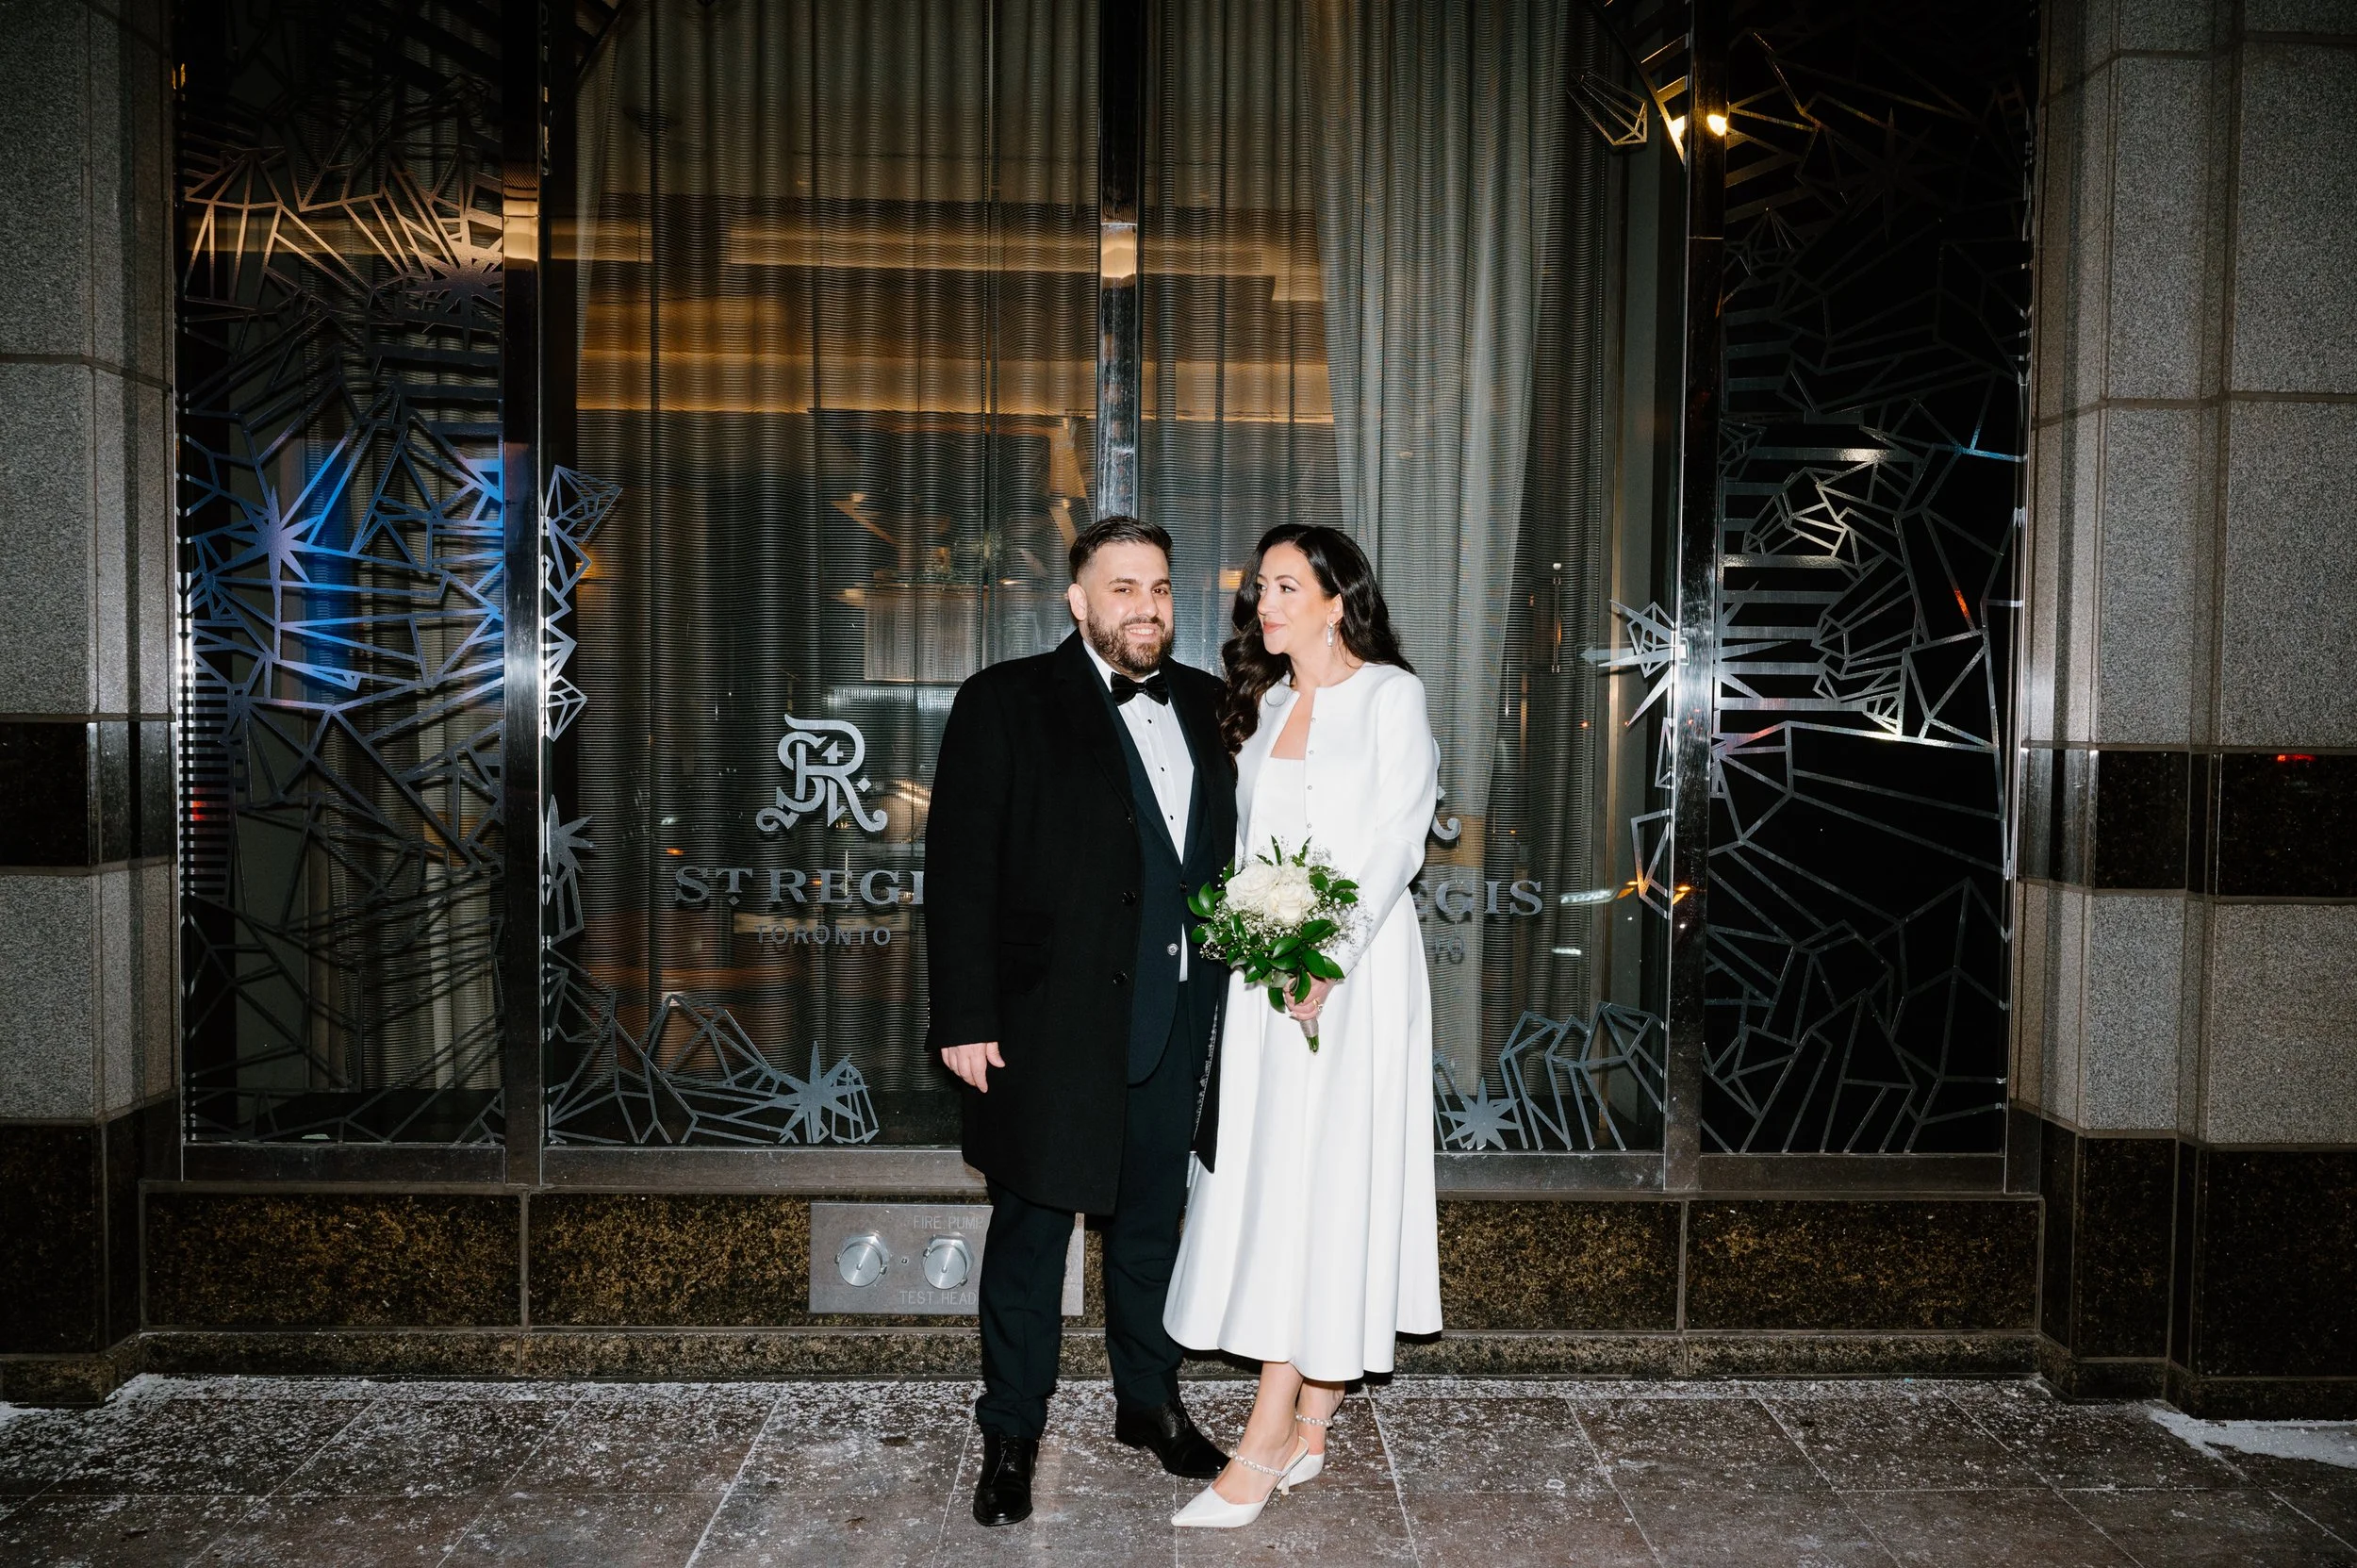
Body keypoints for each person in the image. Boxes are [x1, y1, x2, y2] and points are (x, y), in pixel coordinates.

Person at [926, 515, 1237, 1527]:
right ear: (1077, 600)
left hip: (1174, 1018)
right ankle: (1011, 1429)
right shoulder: (1005, 699)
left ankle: (1147, 1403)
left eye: (1158, 587)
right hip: (1042, 1024)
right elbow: (961, 870)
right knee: (1031, 1233)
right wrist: (964, 1015)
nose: (1144, 606)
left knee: (1152, 1229)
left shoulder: (1209, 704)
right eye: (1122, 588)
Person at [1162, 522, 1443, 1528]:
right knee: (1284, 1180)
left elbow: (1394, 841)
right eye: (1256, 589)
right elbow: (1249, 853)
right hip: (1265, 979)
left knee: (1330, 1177)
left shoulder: (1389, 696)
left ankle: (1265, 1435)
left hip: (1352, 976)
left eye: (1284, 587)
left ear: (1337, 599)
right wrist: (1250, 940)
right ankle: (1315, 1425)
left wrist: (1328, 956)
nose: (1262, 605)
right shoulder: (1267, 702)